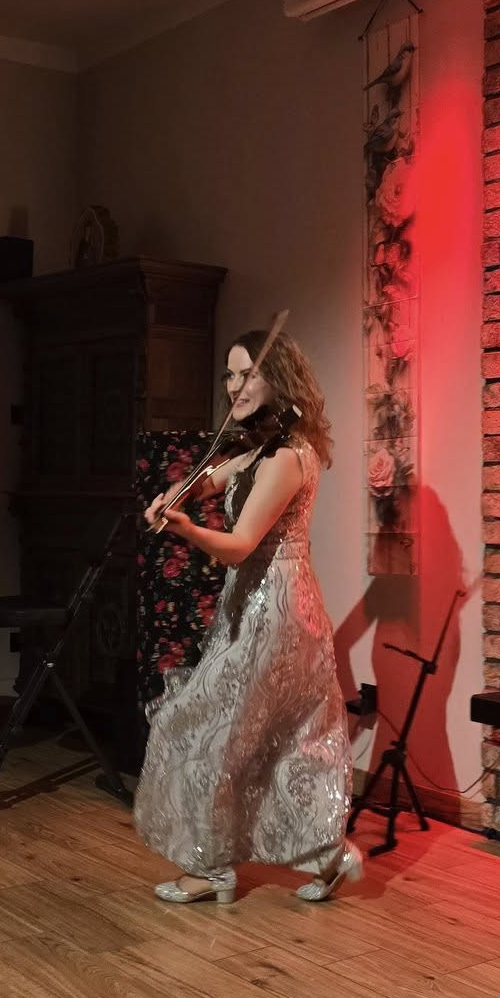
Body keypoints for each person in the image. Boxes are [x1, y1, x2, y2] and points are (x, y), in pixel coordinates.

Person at [133, 331, 361, 905]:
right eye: (230, 375)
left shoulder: (286, 457)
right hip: (257, 603)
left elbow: (238, 547)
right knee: (272, 739)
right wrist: (175, 495)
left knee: (208, 729)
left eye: (247, 374)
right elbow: (210, 480)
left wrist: (185, 528)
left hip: (274, 607)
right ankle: (328, 856)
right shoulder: (259, 451)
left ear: (277, 380)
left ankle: (212, 867)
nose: (234, 386)